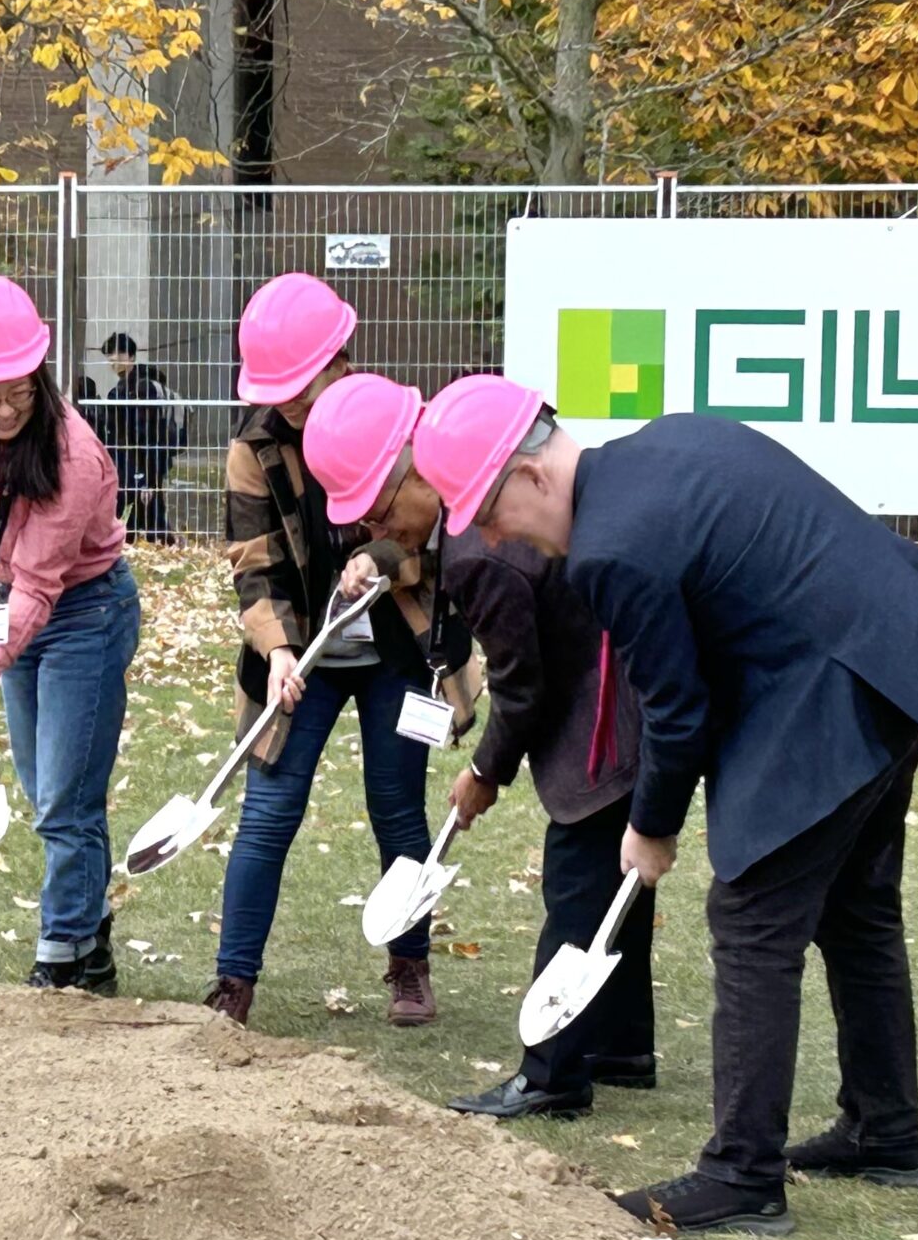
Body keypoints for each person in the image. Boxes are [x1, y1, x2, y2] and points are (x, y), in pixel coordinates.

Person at [413, 377, 918, 1235]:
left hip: (834, 679)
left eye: (491, 511)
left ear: (531, 476)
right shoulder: (668, 442)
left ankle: (742, 1175)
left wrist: (650, 828)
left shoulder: (609, 549)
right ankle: (885, 1130)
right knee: (857, 910)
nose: (493, 537)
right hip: (901, 641)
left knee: (752, 917)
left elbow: (676, 709)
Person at [307, 373, 649, 1119]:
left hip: (600, 692)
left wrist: (484, 772)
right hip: (606, 669)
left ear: (417, 472)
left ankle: (554, 1072)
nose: (380, 531)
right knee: (613, 865)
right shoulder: (457, 525)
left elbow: (523, 688)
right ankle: (622, 1043)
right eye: (363, 521)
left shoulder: (476, 552)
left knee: (577, 875)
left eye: (384, 511)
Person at [209, 276, 463, 1029]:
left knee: (396, 807)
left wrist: (383, 558)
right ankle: (233, 982)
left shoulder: (399, 425)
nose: (288, 402)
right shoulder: (254, 449)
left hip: (396, 645)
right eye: (275, 388)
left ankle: (409, 965)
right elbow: (254, 561)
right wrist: (280, 650)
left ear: (339, 361)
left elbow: (433, 531)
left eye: (300, 384)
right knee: (268, 811)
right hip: (301, 654)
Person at [0, 273, 141, 994]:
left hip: (87, 617)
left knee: (63, 801)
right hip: (22, 611)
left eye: (18, 391)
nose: (6, 409)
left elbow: (43, 583)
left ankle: (62, 952)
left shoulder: (70, 454)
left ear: (38, 374)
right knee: (51, 787)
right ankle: (95, 946)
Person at [97, 333, 181, 542]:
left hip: (141, 460)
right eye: (110, 354)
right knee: (144, 508)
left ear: (132, 356)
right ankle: (151, 539)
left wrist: (147, 478)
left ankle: (153, 540)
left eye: (120, 353)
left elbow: (146, 434)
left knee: (138, 503)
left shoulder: (140, 389)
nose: (114, 359)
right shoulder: (124, 389)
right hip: (137, 460)